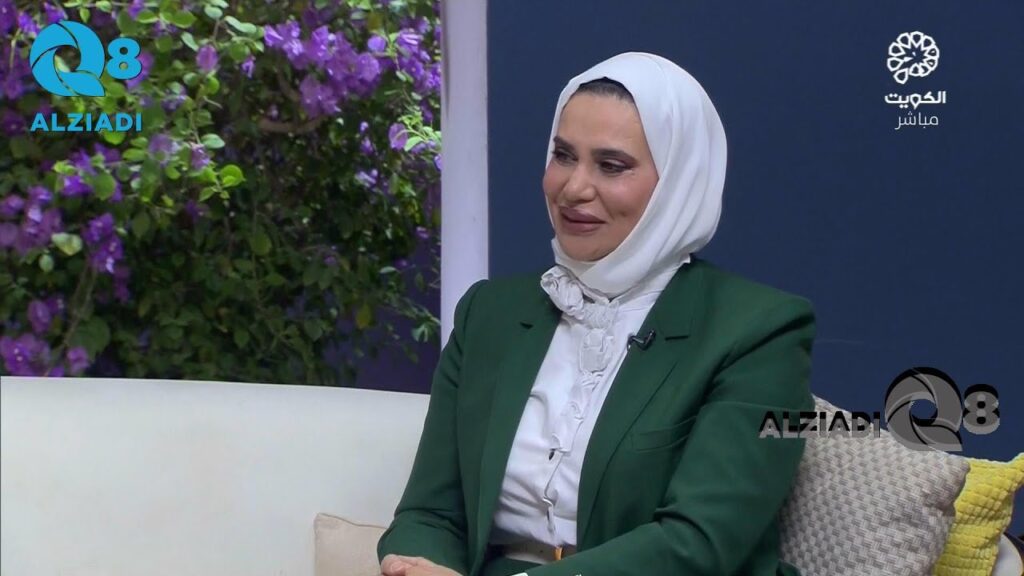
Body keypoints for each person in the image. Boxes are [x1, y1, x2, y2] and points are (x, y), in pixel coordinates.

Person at [376, 51, 816, 576]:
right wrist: (419, 565)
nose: (573, 188)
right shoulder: (488, 313)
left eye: (611, 166)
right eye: (563, 155)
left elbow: (699, 543)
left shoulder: (761, 331)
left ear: (677, 183)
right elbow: (430, 513)